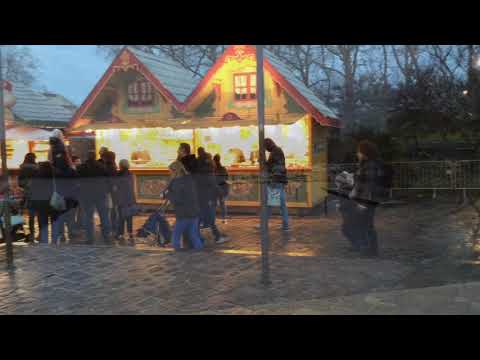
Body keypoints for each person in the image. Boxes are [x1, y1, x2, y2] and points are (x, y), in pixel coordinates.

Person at [349, 140, 386, 257]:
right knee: (363, 223)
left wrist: (363, 202)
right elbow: (361, 181)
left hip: (367, 200)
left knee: (367, 224)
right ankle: (366, 247)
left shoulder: (370, 165)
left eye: (359, 152)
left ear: (364, 152)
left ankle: (371, 250)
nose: (357, 154)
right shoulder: (366, 164)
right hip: (364, 199)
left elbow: (369, 185)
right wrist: (354, 190)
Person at [166, 161, 203, 251]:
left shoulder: (177, 182)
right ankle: (199, 249)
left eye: (170, 171)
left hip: (184, 213)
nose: (169, 173)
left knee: (176, 233)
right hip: (194, 211)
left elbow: (177, 198)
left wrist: (167, 195)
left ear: (175, 171)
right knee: (193, 234)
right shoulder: (189, 179)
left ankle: (176, 251)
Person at [77, 151, 112, 244]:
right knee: (104, 216)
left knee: (88, 217)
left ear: (87, 157)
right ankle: (106, 236)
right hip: (100, 194)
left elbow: (77, 180)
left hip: (86, 195)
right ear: (95, 157)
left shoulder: (82, 167)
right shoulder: (101, 166)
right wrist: (107, 190)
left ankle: (89, 238)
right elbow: (108, 180)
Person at [196, 147, 228, 244]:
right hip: (209, 199)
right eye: (210, 160)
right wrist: (222, 194)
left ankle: (198, 236)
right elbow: (215, 187)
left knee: (201, 218)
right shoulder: (208, 174)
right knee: (209, 218)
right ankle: (217, 237)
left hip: (201, 198)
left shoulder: (198, 172)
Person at [261, 138, 289, 231]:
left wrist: (263, 161)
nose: (266, 150)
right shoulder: (277, 151)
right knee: (279, 204)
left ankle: (264, 223)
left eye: (265, 147)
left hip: (276, 181)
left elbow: (271, 167)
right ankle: (285, 225)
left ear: (268, 145)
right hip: (279, 181)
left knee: (271, 203)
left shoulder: (275, 152)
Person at [30, 161, 57, 244]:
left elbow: (33, 189)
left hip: (41, 201)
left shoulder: (37, 176)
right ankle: (54, 238)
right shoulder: (54, 176)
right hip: (53, 200)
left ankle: (43, 238)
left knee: (42, 220)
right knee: (54, 221)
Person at [114, 159, 136, 245]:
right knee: (129, 216)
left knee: (121, 217)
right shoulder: (131, 174)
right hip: (129, 198)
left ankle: (120, 233)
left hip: (121, 199)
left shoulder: (118, 175)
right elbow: (132, 187)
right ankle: (130, 232)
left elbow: (116, 187)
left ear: (120, 165)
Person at [18, 153, 38, 242]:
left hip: (28, 193)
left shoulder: (22, 169)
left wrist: (26, 186)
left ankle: (31, 234)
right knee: (40, 215)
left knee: (31, 215)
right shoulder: (37, 168)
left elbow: (20, 183)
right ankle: (41, 234)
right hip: (38, 194)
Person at [103, 151, 119, 235]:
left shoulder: (107, 167)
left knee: (109, 209)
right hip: (113, 191)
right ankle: (114, 226)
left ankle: (110, 227)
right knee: (113, 209)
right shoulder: (113, 166)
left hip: (108, 191)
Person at [213, 154, 229, 224]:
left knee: (214, 203)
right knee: (222, 203)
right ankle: (224, 218)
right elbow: (226, 178)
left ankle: (212, 219)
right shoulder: (223, 168)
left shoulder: (213, 168)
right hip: (222, 187)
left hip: (216, 187)